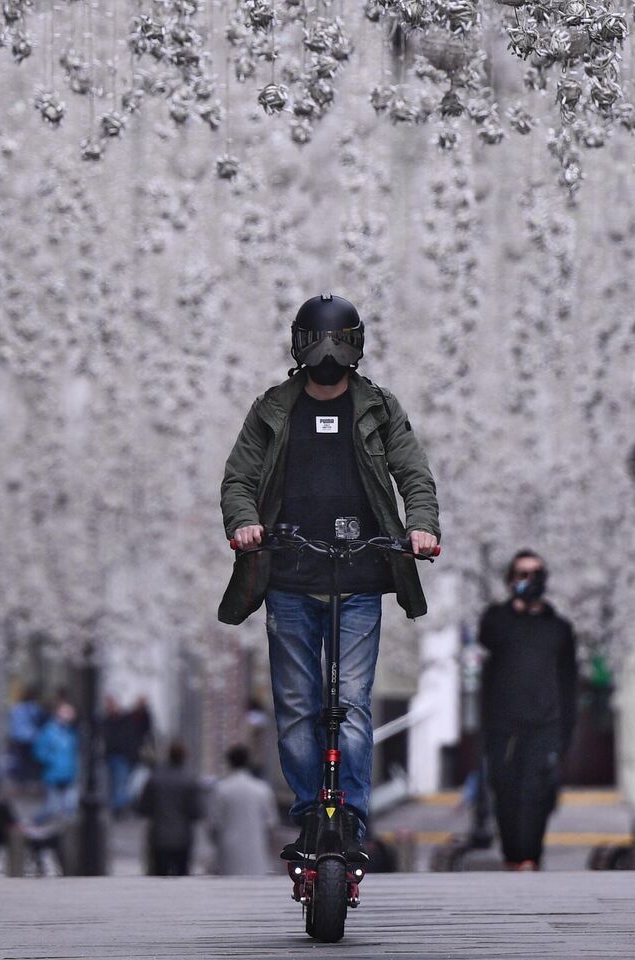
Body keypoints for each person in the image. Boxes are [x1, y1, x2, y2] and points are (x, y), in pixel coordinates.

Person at [219, 293, 440, 865]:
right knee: (296, 705)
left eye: (335, 344)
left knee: (352, 705)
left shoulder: (380, 409)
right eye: (318, 344)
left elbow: (414, 474)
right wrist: (244, 523)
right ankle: (310, 815)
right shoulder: (272, 408)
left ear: (354, 349)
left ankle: (353, 819)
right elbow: (239, 478)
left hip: (360, 578)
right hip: (289, 578)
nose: (326, 356)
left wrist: (420, 528)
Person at [478, 550, 577, 870]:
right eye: (523, 574)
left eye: (537, 574)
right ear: (510, 580)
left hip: (546, 723)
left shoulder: (559, 628)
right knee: (505, 791)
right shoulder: (497, 620)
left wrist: (566, 732)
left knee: (538, 793)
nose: (530, 581)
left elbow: (569, 680)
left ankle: (530, 859)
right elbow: (487, 636)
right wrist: (517, 607)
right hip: (504, 725)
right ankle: (513, 857)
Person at [208, 744, 278, 876]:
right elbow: (271, 823)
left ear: (230, 762)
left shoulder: (221, 789)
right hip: (256, 848)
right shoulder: (262, 789)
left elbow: (214, 823)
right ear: (247, 762)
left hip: (229, 850)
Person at [137, 741, 203, 876]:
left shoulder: (155, 778)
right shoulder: (189, 779)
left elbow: (143, 808)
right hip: (183, 838)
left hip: (159, 837)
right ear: (184, 757)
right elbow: (196, 812)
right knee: (182, 876)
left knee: (160, 877)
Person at [103, 695, 152, 817]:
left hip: (122, 756)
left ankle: (120, 808)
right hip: (116, 756)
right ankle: (119, 807)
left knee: (121, 784)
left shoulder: (124, 720)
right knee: (118, 784)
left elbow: (142, 724)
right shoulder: (110, 720)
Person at [33, 701, 79, 822]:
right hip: (53, 774)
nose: (69, 715)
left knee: (69, 808)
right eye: (66, 712)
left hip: (68, 774)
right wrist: (51, 760)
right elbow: (39, 750)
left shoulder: (70, 732)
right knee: (51, 808)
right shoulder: (49, 731)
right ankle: (35, 824)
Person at [6, 685, 45, 785]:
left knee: (23, 760)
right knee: (27, 760)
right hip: (30, 738)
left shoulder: (18, 708)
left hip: (22, 737)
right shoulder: (34, 708)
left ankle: (24, 779)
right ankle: (27, 778)